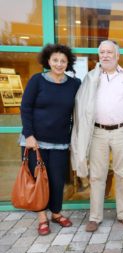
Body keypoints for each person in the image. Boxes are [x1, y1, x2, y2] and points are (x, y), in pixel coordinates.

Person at [71, 40, 123, 232]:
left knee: (122, 174)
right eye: (102, 52)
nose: (106, 55)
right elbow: (82, 104)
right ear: (99, 55)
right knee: (97, 175)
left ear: (117, 55)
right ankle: (95, 217)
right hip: (97, 132)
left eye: (110, 52)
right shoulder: (91, 77)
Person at [20, 44, 81, 235]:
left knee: (56, 181)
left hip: (60, 142)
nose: (59, 64)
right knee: (38, 180)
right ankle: (42, 218)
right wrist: (29, 135)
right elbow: (25, 108)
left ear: (68, 63)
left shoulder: (74, 84)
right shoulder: (37, 80)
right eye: (55, 60)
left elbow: (79, 111)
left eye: (63, 61)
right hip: (34, 141)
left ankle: (56, 213)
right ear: (48, 61)